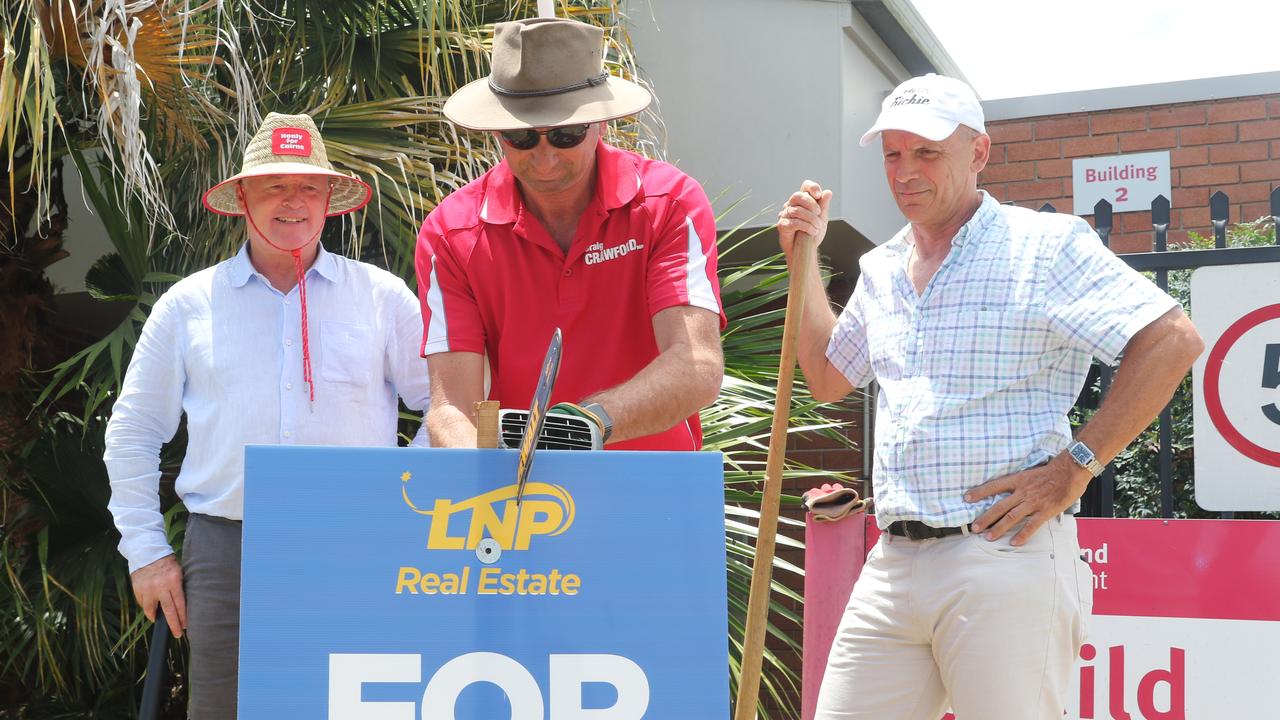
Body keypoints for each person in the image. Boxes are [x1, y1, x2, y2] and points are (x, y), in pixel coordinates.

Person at [778, 74, 1204, 719]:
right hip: (893, 561)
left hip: (1002, 557)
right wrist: (803, 260)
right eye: (893, 153)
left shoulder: (1043, 245)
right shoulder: (883, 266)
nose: (905, 171)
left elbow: (1173, 338)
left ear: (978, 152)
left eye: (927, 152)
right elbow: (828, 377)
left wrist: (1077, 466)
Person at [104, 113, 431, 719]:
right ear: (243, 198)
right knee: (227, 708)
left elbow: (447, 405)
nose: (293, 201)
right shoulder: (187, 306)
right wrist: (147, 551)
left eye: (309, 186)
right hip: (227, 549)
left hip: (358, 541)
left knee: (360, 706)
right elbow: (133, 430)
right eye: (275, 185)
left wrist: (398, 497)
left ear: (330, 199)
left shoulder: (384, 298)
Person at [415, 16, 724, 451]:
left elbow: (697, 365)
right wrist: (484, 487)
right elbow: (453, 408)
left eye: (565, 134)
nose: (543, 158)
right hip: (522, 505)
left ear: (601, 123)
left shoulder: (668, 203)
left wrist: (585, 425)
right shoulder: (450, 233)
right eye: (521, 136)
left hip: (656, 496)